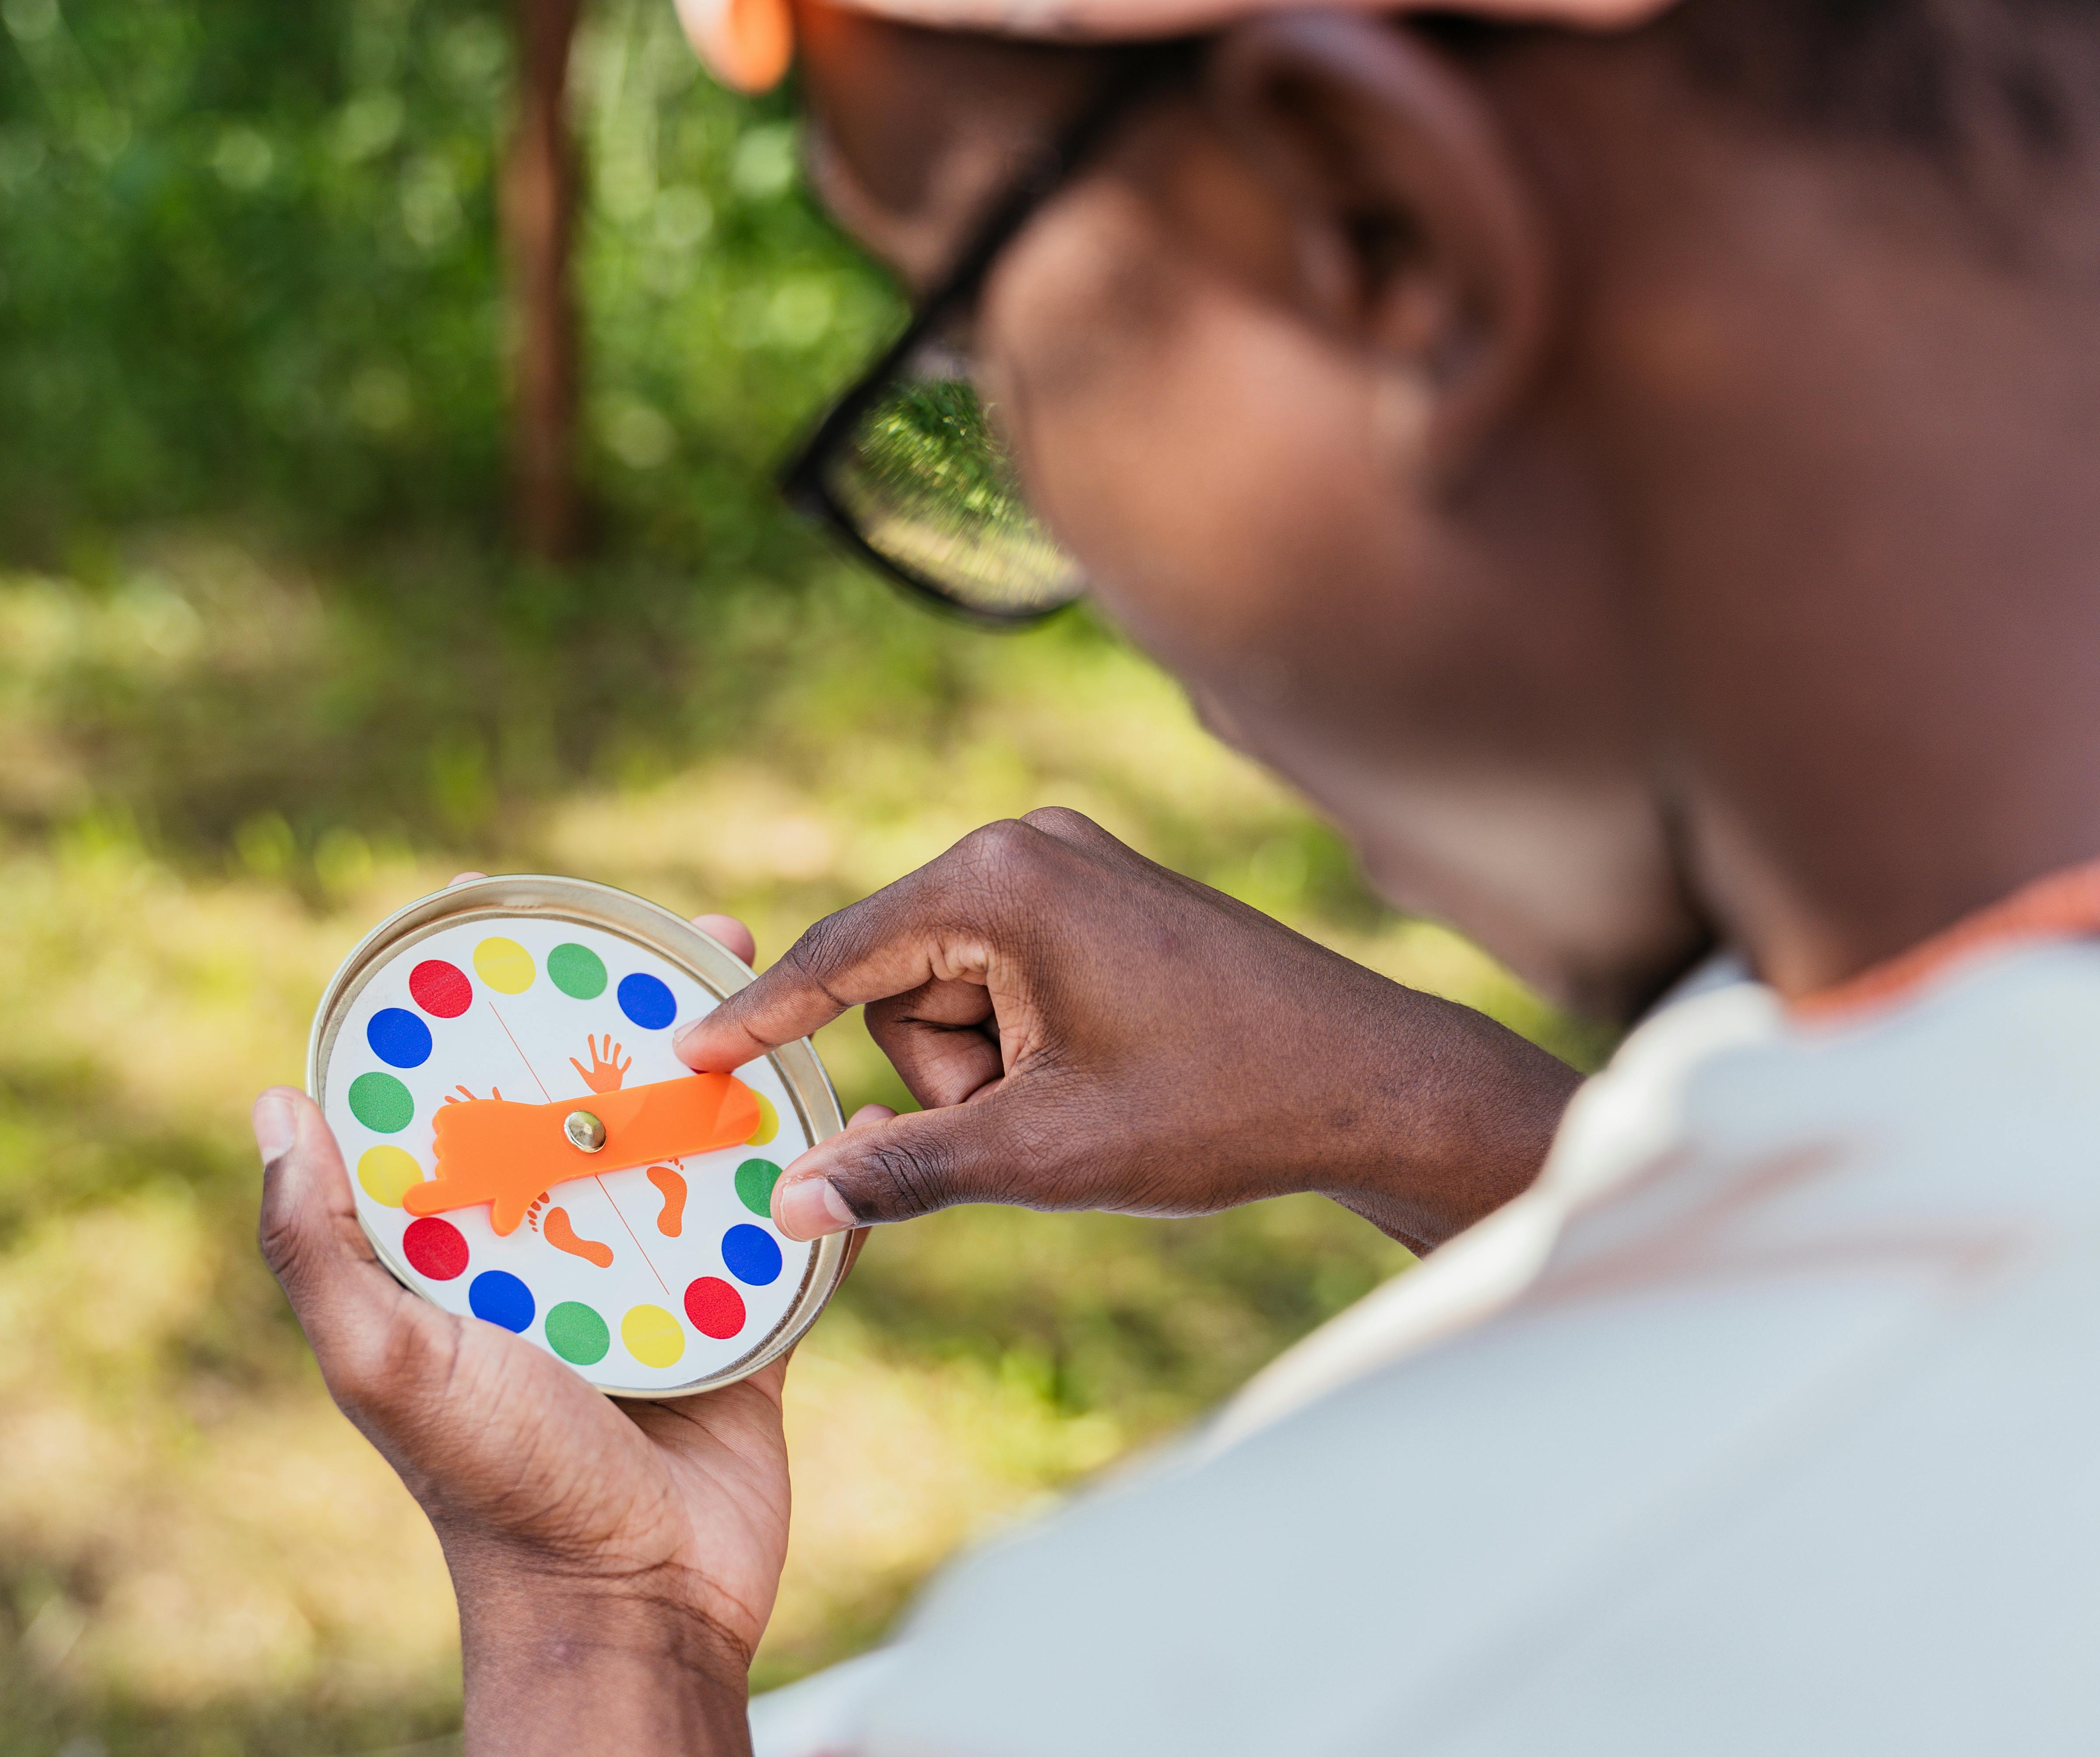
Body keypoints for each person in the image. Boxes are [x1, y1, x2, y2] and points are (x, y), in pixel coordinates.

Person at [247, 0, 2100, 1746]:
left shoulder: (1320, 1686)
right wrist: (1434, 1110)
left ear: (1384, 226)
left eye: (980, 350)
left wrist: (604, 1627)